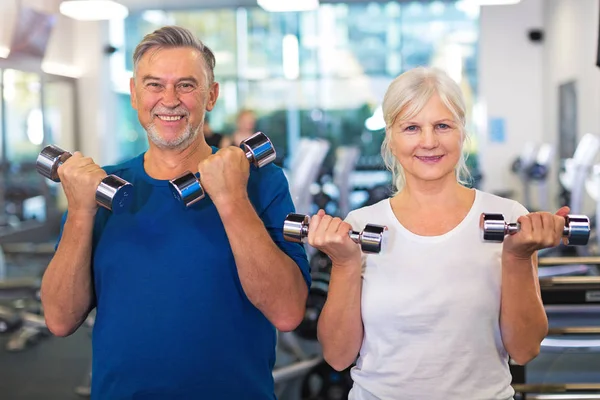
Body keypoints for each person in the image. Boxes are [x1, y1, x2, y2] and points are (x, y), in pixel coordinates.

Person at [39, 26, 310, 399]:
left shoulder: (260, 182)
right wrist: (81, 211)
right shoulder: (103, 190)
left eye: (186, 85)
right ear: (134, 94)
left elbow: (288, 312)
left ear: (211, 96)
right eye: (154, 85)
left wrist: (231, 200)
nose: (169, 99)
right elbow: (59, 318)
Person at [308, 67, 562, 399]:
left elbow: (526, 349)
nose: (429, 141)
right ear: (391, 137)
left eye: (442, 125)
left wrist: (517, 256)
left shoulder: (507, 218)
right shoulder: (360, 226)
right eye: (411, 127)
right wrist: (344, 264)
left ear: (461, 132)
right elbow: (338, 356)